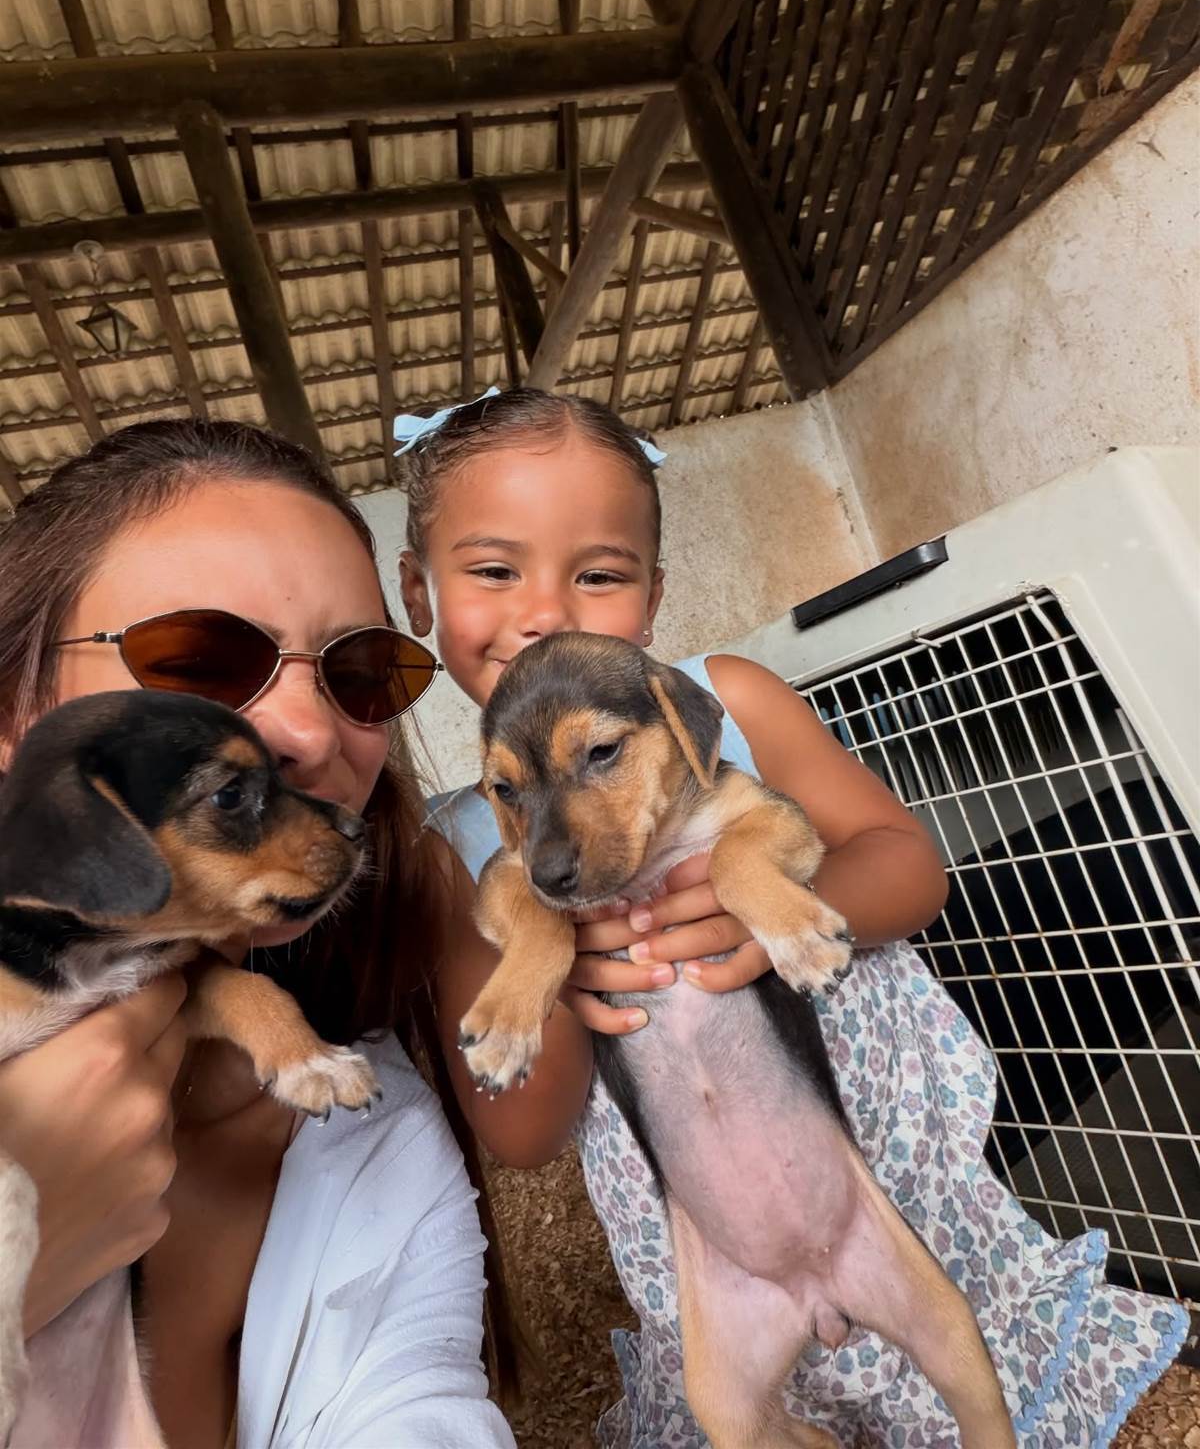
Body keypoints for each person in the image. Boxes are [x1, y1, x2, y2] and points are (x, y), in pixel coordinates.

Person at [400, 387, 1188, 1449]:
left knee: (956, 1339)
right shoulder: (459, 849)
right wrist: (558, 965)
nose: (548, 611)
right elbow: (521, 1133)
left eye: (600, 573)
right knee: (734, 1411)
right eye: (494, 570)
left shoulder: (727, 699)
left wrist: (766, 903)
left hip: (880, 1165)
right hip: (707, 1228)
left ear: (654, 595)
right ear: (419, 593)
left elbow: (910, 866)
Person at [0, 419, 517, 1449]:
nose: (313, 733)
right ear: (15, 716)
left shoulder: (376, 1145)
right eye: (199, 657)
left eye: (361, 672)